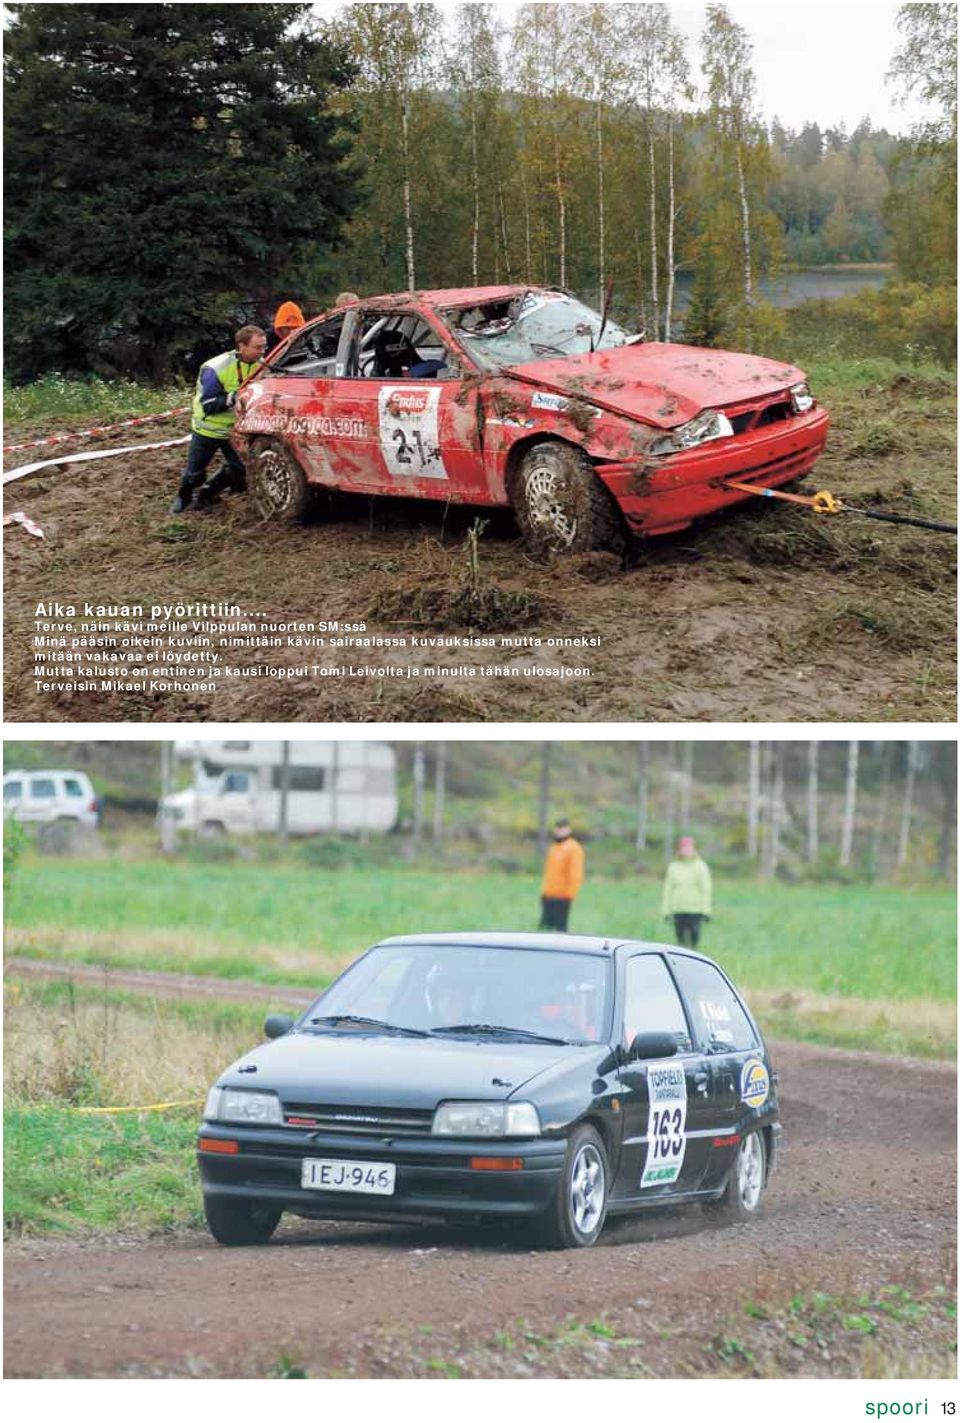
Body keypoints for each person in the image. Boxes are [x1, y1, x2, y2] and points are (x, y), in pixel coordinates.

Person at [170, 325, 267, 513]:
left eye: (264, 347)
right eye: (257, 347)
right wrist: (238, 396)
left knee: (241, 468)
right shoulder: (215, 368)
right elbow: (209, 404)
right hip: (208, 428)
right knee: (195, 472)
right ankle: (183, 498)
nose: (262, 352)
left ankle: (208, 493)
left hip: (237, 431)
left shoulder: (262, 365)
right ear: (241, 346)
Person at [660, 835, 713, 948]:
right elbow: (667, 890)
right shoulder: (674, 867)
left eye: (689, 848)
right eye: (684, 848)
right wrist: (666, 911)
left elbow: (705, 889)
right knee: (680, 939)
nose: (686, 851)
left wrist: (706, 910)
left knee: (694, 937)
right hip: (678, 909)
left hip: (695, 910)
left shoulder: (700, 866)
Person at [539, 819, 585, 933]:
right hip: (549, 894)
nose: (560, 831)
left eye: (563, 829)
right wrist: (545, 892)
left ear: (568, 829)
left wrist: (570, 894)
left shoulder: (573, 848)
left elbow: (576, 873)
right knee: (545, 928)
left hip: (562, 896)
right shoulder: (554, 847)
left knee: (560, 930)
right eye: (558, 829)